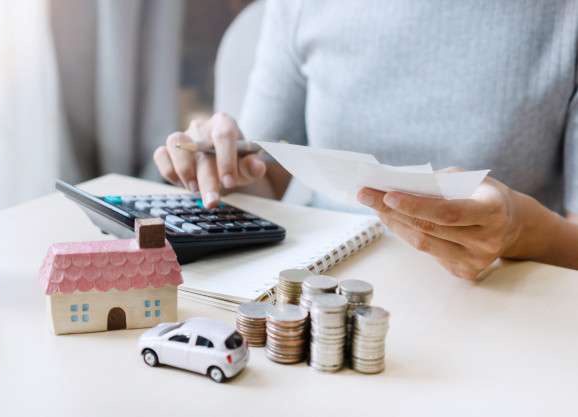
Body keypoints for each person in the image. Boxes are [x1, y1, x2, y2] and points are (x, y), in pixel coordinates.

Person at [154, 1, 578, 279]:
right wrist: (220, 169)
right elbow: (269, 175)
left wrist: (519, 232)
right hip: (319, 283)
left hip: (505, 300)